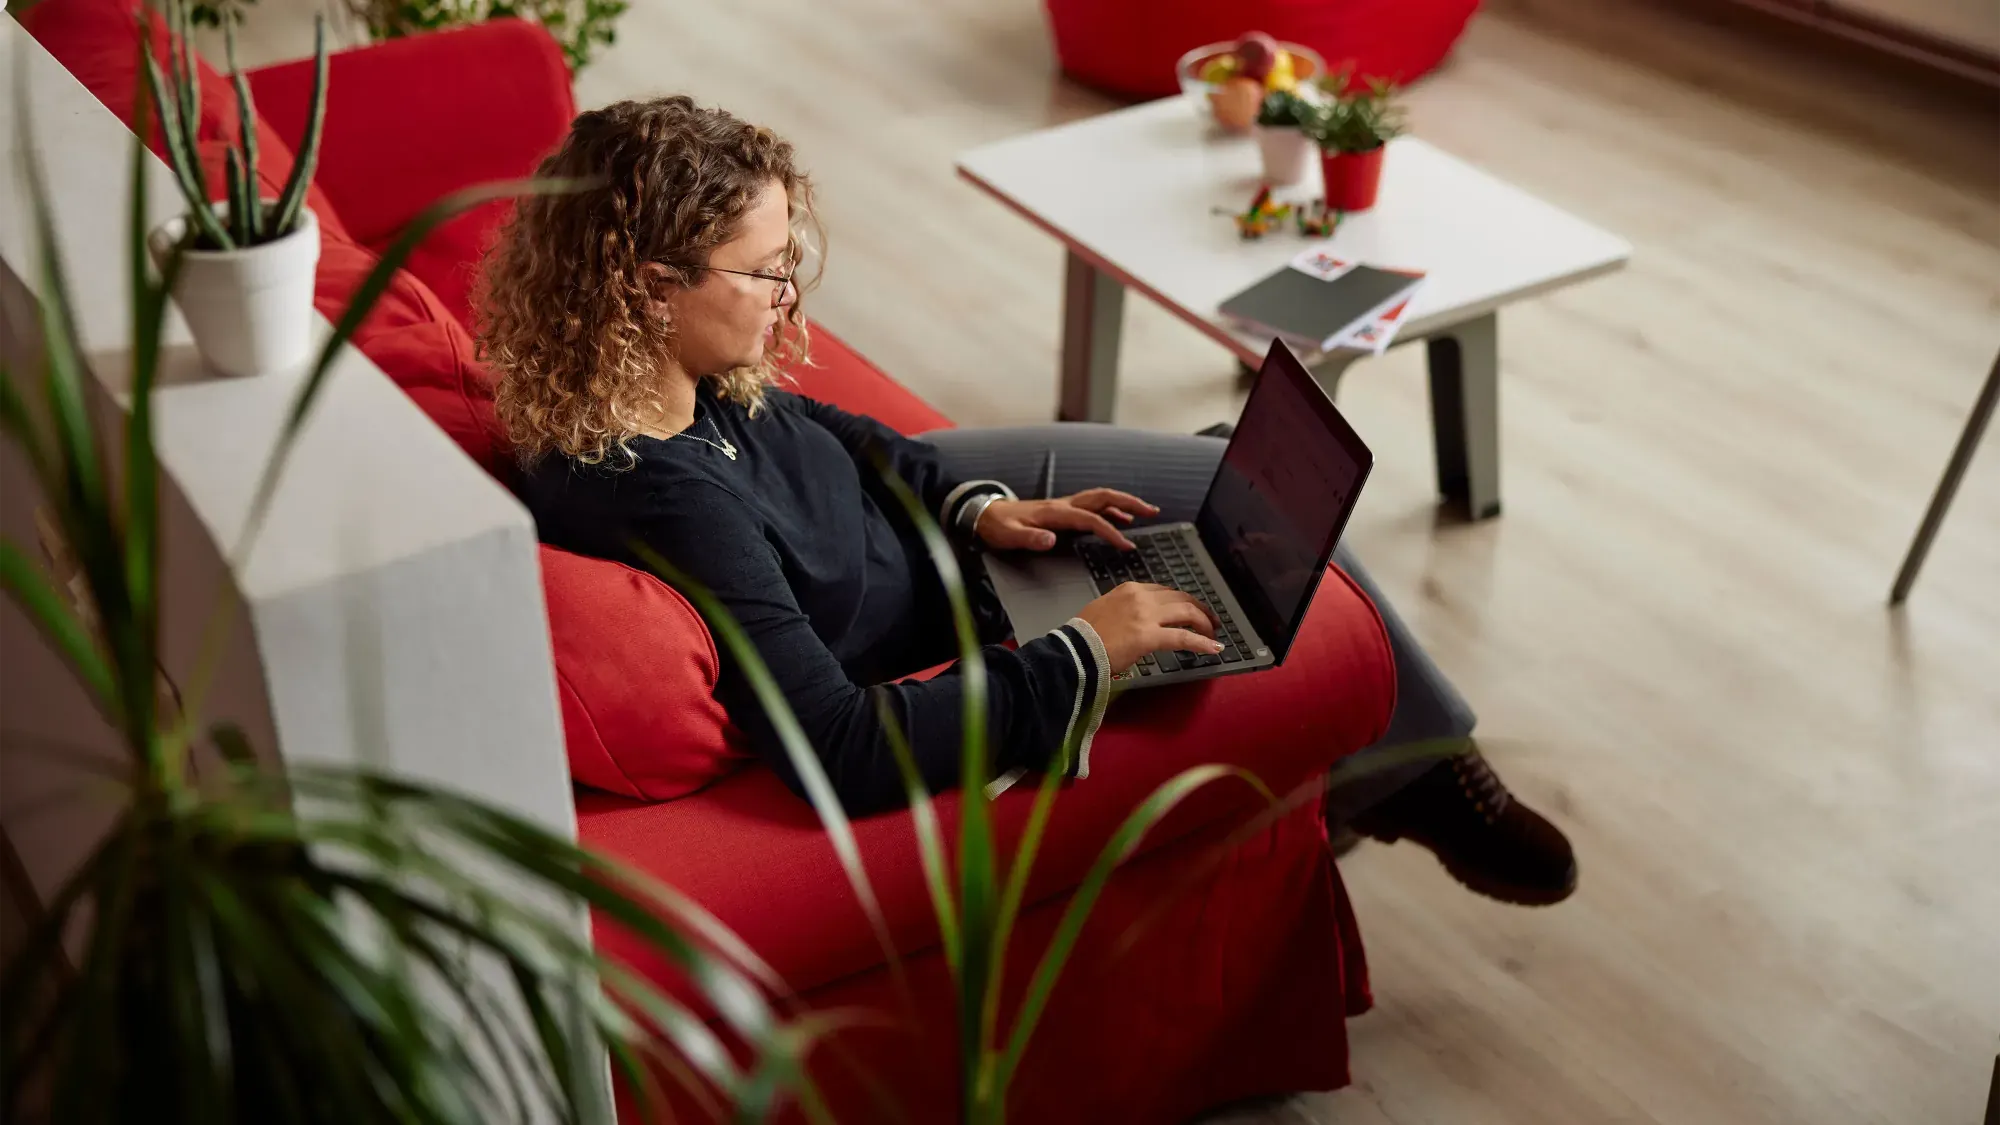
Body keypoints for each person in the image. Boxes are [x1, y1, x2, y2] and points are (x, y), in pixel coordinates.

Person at [476, 96, 1576, 907]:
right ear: (652, 282)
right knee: (1229, 529)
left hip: (951, 540)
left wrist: (976, 509)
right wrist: (1087, 649)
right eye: (762, 272)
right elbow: (843, 747)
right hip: (976, 621)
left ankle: (1393, 772)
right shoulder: (663, 499)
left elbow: (823, 429)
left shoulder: (664, 378)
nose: (786, 296)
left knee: (1214, 477)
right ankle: (1419, 775)